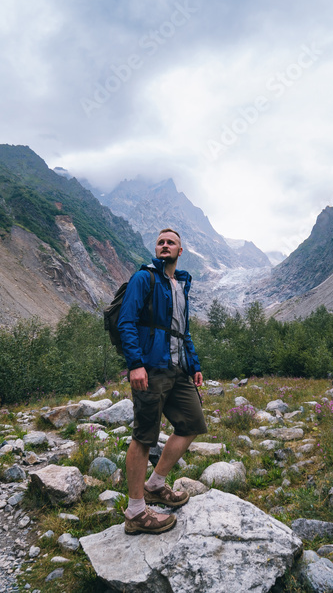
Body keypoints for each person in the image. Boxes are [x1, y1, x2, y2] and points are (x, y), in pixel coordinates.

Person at [117, 228, 207, 535]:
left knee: (192, 424)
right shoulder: (144, 279)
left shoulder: (181, 285)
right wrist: (135, 364)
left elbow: (184, 331)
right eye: (160, 242)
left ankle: (155, 484)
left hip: (178, 370)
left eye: (171, 242)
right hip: (150, 369)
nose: (164, 245)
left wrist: (193, 365)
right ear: (156, 249)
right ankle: (136, 512)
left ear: (180, 251)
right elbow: (126, 321)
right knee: (144, 437)